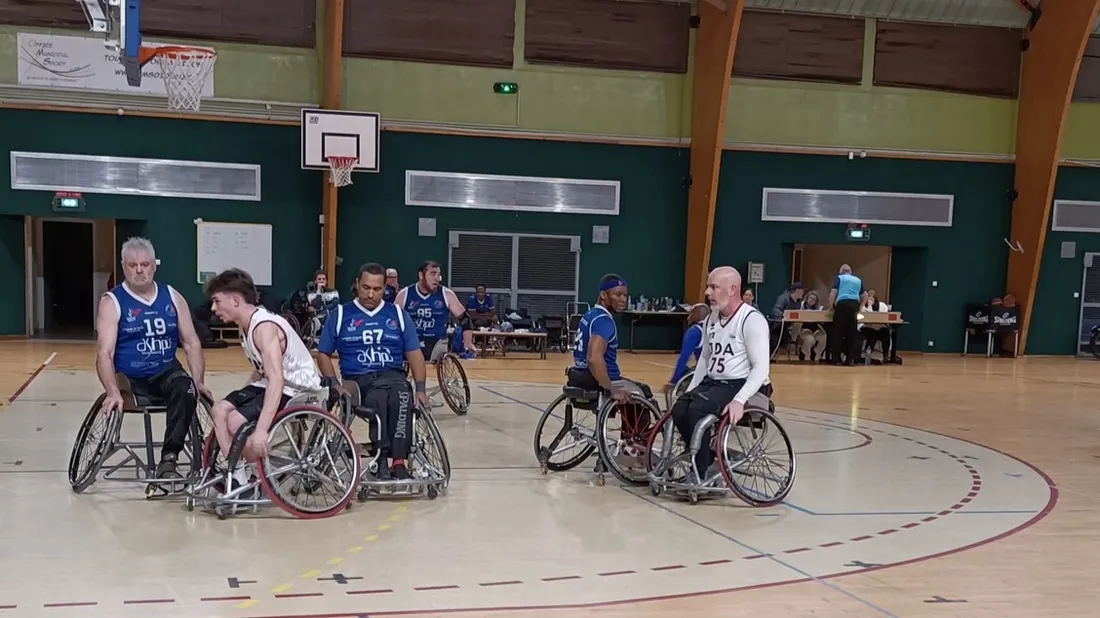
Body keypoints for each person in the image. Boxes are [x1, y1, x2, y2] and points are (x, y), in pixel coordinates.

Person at [95, 237, 210, 479]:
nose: (139, 270)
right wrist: (112, 391)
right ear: (123, 267)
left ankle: (169, 459)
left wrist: (199, 381)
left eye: (145, 264)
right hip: (131, 379)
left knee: (186, 387)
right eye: (132, 265)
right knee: (169, 385)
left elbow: (191, 342)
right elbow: (105, 353)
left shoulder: (172, 296)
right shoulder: (112, 302)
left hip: (166, 372)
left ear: (154, 266)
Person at [205, 268, 321, 494]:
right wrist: (243, 395)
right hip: (272, 382)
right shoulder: (246, 324)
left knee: (234, 422)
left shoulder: (264, 328)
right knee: (219, 410)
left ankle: (248, 474)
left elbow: (277, 379)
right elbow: (262, 371)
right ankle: (237, 473)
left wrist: (261, 430)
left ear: (235, 300)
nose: (213, 308)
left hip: (298, 388)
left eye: (217, 301)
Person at [317, 263, 430, 481]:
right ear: (357, 284)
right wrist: (334, 384)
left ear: (385, 288)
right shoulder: (340, 315)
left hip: (393, 376)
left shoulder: (398, 315)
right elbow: (323, 354)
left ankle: (398, 461)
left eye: (377, 289)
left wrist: (421, 389)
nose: (370, 294)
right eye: (366, 287)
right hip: (358, 380)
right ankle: (380, 459)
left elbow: (415, 354)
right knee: (378, 398)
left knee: (401, 395)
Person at [671, 266, 772, 483]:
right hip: (715, 382)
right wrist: (690, 389)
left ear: (732, 290)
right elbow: (705, 359)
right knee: (679, 408)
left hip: (743, 383)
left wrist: (739, 400)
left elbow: (761, 368)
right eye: (708, 287)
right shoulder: (712, 319)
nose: (707, 292)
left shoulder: (752, 320)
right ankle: (706, 457)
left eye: (714, 287)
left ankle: (701, 471)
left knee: (698, 409)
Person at [568, 274, 648, 402]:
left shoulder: (590, 314)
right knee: (644, 393)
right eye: (618, 295)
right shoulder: (604, 321)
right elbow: (593, 359)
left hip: (580, 374)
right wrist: (610, 389)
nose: (623, 299)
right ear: (603, 295)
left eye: (625, 295)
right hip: (602, 379)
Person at [394, 260, 477, 361]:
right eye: (433, 274)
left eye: (438, 275)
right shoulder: (404, 294)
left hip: (437, 343)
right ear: (421, 275)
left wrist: (467, 343)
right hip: (412, 343)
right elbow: (393, 321)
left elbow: (465, 319)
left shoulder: (446, 294)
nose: (437, 279)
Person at [664, 303, 710, 392]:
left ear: (697, 314)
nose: (689, 317)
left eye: (691, 314)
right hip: (724, 371)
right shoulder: (717, 327)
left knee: (685, 372)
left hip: (705, 373)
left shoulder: (695, 331)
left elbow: (684, 357)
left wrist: (673, 381)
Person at [827, 264, 866, 366]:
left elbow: (833, 293)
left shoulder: (839, 278)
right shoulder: (858, 280)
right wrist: (860, 307)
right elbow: (864, 296)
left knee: (838, 332)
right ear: (850, 272)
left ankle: (836, 359)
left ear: (841, 271)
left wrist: (831, 307)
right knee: (852, 333)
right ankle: (850, 360)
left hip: (842, 305)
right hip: (854, 305)